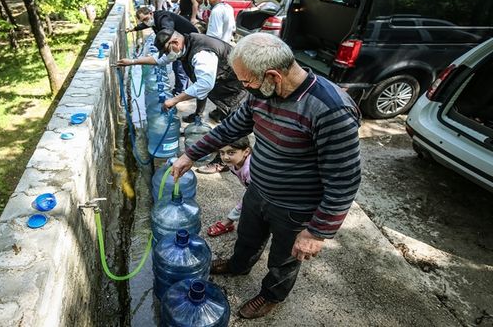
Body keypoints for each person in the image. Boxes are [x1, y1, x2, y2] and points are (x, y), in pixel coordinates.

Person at [169, 33, 362, 319]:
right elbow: (230, 128)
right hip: (258, 189)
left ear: (273, 75)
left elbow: (344, 180)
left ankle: (271, 295)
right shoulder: (262, 93)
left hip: (296, 207)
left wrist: (318, 232)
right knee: (247, 236)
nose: (245, 87)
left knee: (284, 260)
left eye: (247, 82)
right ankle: (238, 265)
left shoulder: (330, 110)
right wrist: (190, 155)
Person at [117, 29, 247, 124]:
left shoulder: (201, 54)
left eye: (167, 50)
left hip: (237, 88)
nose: (168, 54)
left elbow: (205, 85)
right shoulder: (186, 42)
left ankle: (234, 158)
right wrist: (132, 62)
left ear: (175, 42)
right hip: (224, 86)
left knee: (234, 125)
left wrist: (174, 100)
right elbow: (160, 60)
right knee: (228, 121)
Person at [126, 7, 197, 95]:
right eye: (143, 21)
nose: (145, 22)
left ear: (151, 13)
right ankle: (180, 89)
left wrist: (162, 50)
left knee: (179, 67)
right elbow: (145, 24)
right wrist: (133, 29)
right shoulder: (152, 19)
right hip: (180, 41)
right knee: (178, 65)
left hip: (190, 40)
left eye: (146, 19)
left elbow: (168, 34)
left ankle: (181, 91)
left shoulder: (164, 19)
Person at [206, 136, 251, 237]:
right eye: (222, 152)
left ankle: (227, 223)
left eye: (231, 152)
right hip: (251, 186)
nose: (225, 157)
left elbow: (250, 196)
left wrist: (230, 217)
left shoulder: (250, 170)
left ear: (246, 152)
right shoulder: (234, 162)